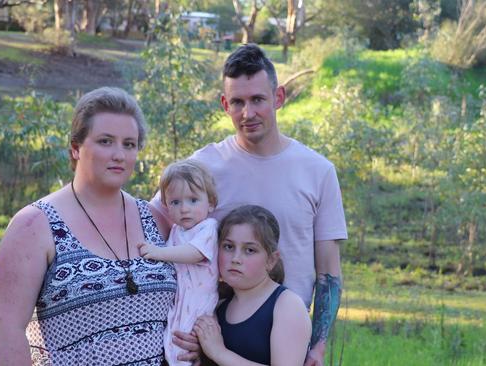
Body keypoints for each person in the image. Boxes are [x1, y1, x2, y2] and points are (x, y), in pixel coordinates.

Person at [152, 44, 347, 365]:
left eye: (258, 100)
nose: (248, 113)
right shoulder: (202, 168)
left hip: (286, 333)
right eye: (238, 102)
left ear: (279, 98)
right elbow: (152, 225)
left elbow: (328, 271)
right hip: (215, 333)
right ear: (224, 105)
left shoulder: (318, 171)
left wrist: (319, 344)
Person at [0, 87, 196, 365]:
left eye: (129, 144)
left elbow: (193, 292)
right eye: (106, 141)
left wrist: (196, 340)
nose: (119, 155)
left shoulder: (157, 219)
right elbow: (6, 332)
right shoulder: (34, 226)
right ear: (76, 148)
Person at [194, 205, 311, 365]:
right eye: (228, 247)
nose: (235, 258)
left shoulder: (287, 305)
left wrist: (219, 353)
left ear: (271, 260)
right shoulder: (217, 305)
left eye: (249, 250)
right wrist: (198, 353)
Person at [137, 159, 219, 366]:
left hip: (200, 301)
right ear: (165, 206)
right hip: (180, 300)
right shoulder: (176, 231)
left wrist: (158, 252)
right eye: (175, 202)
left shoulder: (208, 228)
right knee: (172, 341)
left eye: (193, 200)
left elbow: (194, 253)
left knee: (188, 344)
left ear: (210, 203)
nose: (184, 209)